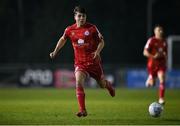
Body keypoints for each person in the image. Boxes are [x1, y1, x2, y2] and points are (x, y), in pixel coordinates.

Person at [50, 6, 115, 117]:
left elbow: (102, 42)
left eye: (83, 16)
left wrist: (98, 52)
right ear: (75, 17)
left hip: (94, 63)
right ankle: (83, 110)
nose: (81, 18)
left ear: (86, 17)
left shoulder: (92, 28)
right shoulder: (70, 30)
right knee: (78, 81)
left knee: (101, 84)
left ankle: (108, 85)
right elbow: (62, 39)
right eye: (79, 16)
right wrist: (55, 51)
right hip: (80, 64)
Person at [143, 25, 167, 105]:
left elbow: (165, 54)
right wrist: (153, 56)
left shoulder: (164, 42)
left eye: (161, 30)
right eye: (159, 30)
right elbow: (145, 52)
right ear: (155, 32)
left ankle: (161, 98)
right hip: (152, 65)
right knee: (152, 84)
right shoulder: (151, 40)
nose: (161, 31)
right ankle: (150, 78)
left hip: (161, 64)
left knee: (162, 79)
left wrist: (164, 56)